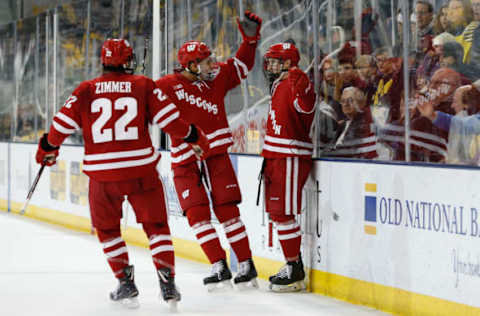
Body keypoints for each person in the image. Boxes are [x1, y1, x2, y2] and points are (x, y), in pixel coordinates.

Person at [34, 38, 209, 309]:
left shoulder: (86, 89)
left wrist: (48, 147)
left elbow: (60, 125)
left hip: (103, 177)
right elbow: (170, 121)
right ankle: (168, 282)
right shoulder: (143, 85)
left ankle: (126, 283)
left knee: (107, 229)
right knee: (157, 227)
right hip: (141, 171)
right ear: (127, 61)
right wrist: (193, 135)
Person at [154, 10, 262, 291]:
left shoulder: (218, 78)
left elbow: (241, 65)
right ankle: (218, 265)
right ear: (190, 65)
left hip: (216, 155)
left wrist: (249, 42)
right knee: (196, 214)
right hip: (184, 159)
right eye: (205, 62)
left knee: (227, 209)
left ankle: (247, 265)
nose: (213, 64)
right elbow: (143, 100)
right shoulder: (166, 85)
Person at [261, 42, 316, 292]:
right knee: (277, 213)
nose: (269, 65)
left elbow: (307, 107)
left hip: (290, 155)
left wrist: (304, 89)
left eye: (275, 60)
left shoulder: (297, 84)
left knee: (283, 212)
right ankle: (292, 264)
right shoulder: (279, 84)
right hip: (274, 155)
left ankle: (294, 268)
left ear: (287, 63)